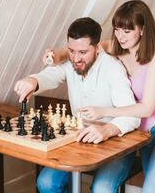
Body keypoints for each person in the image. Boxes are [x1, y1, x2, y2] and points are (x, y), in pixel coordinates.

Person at [46, 0, 155, 193]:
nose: (120, 36)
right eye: (116, 29)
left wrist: (104, 111)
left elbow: (147, 108)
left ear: (142, 29)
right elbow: (86, 46)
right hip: (143, 134)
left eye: (127, 31)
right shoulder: (116, 48)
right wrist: (57, 55)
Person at [14, 17, 140, 193]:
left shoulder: (113, 68)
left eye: (82, 52)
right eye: (71, 51)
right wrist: (32, 80)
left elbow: (132, 116)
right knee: (46, 183)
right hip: (79, 141)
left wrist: (105, 131)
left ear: (97, 48)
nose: (75, 58)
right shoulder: (71, 63)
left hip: (117, 143)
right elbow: (51, 75)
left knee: (102, 189)